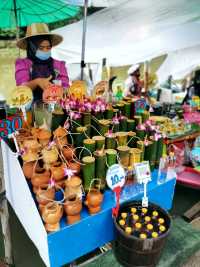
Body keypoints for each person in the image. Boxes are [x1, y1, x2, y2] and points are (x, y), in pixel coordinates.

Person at [15, 23, 70, 102]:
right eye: (41, 48)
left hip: (55, 105)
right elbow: (21, 89)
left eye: (48, 47)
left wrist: (57, 89)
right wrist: (37, 82)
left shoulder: (59, 64)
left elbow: (66, 88)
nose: (45, 51)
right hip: (32, 109)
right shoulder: (22, 64)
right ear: (32, 47)